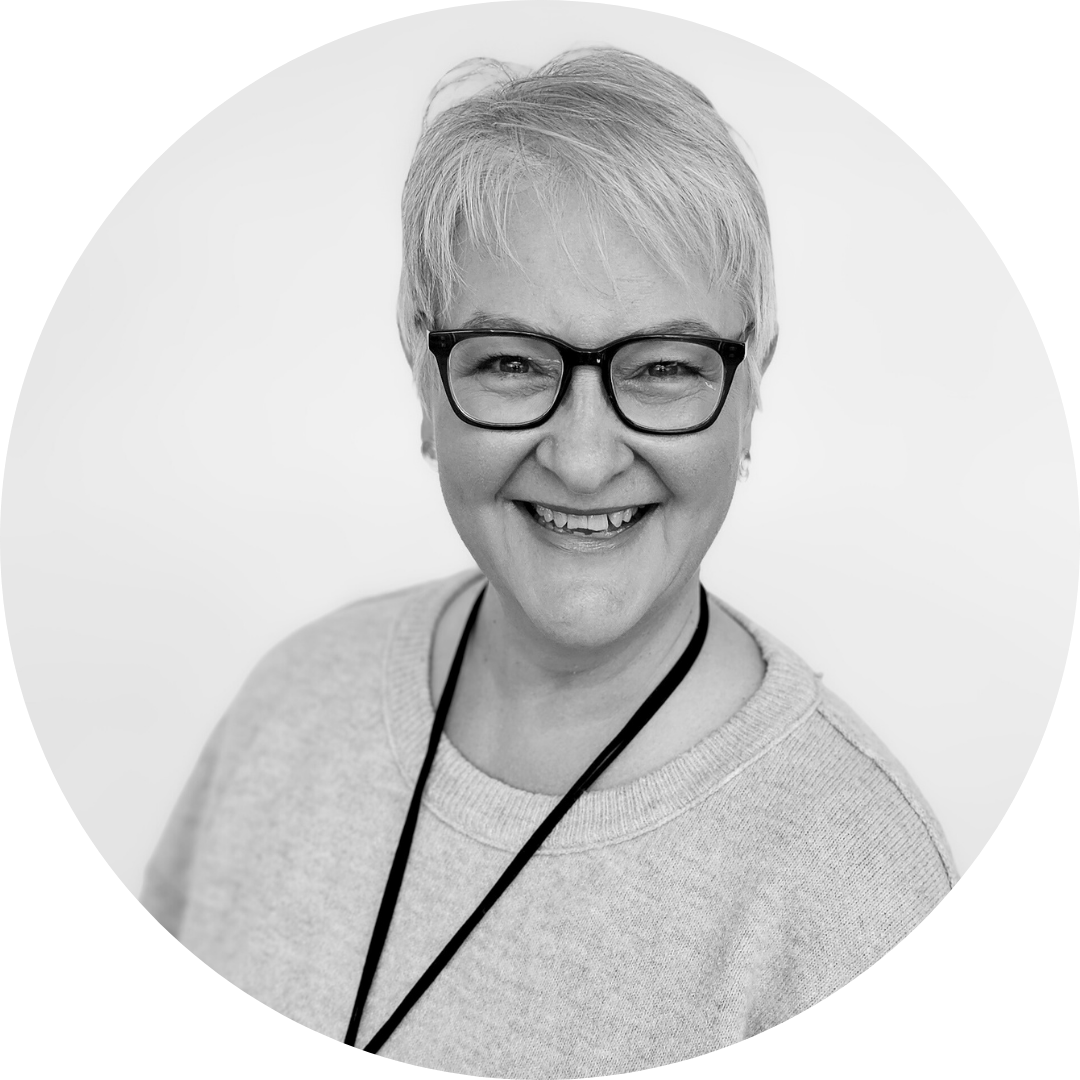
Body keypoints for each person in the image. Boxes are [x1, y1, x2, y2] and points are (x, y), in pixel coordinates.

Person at [142, 47, 955, 1073]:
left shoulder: (858, 887)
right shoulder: (295, 699)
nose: (581, 458)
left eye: (662, 368)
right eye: (513, 362)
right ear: (423, 373)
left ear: (752, 383)